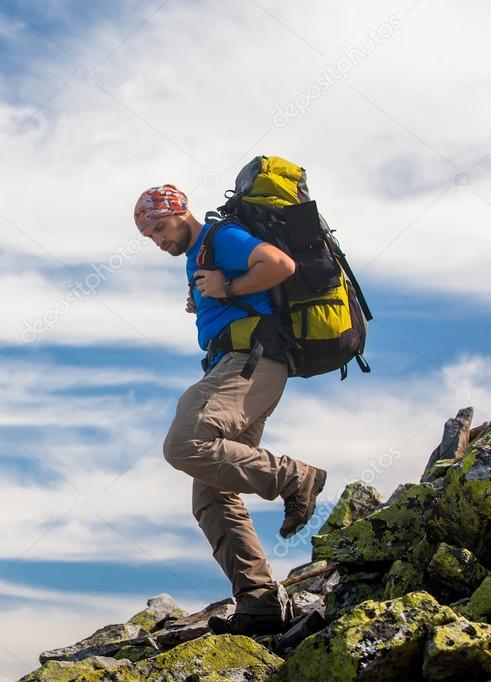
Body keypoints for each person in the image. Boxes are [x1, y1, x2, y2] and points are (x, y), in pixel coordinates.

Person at [133, 183, 327, 635]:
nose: (159, 240)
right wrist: (207, 299)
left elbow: (279, 265)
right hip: (239, 364)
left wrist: (229, 285)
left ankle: (295, 477)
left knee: (185, 443)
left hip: (251, 361)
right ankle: (259, 602)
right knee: (211, 493)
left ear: (182, 213)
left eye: (161, 227)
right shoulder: (197, 257)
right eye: (150, 236)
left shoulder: (221, 237)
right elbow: (232, 294)